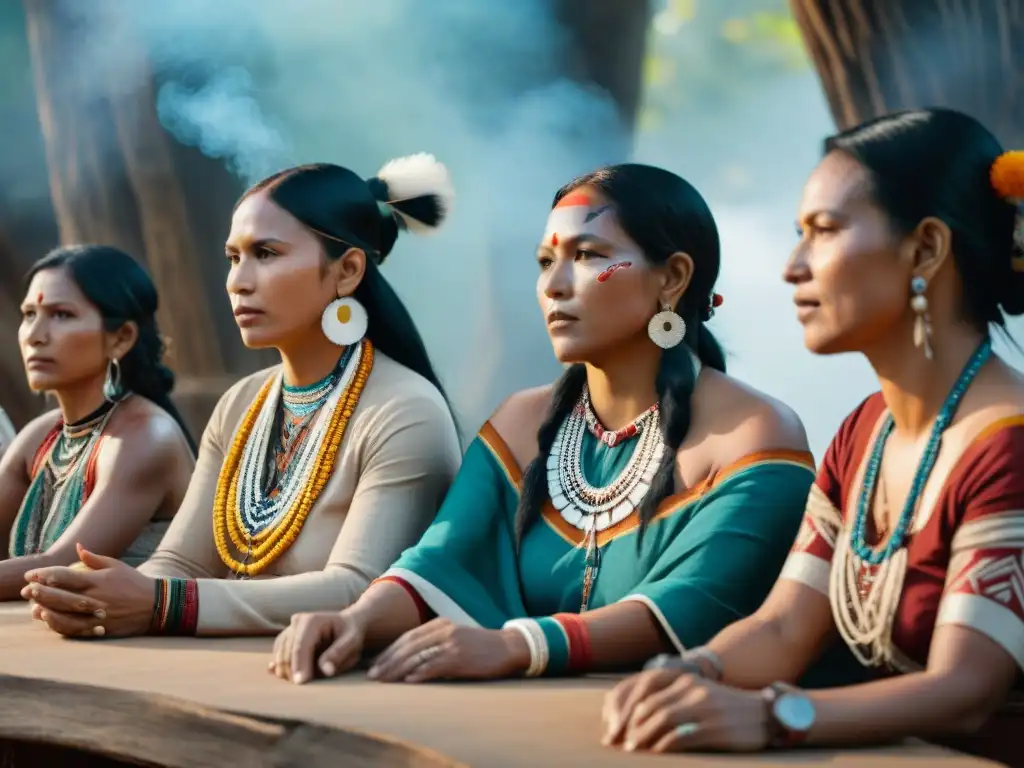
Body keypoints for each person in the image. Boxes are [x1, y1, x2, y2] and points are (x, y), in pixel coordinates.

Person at [271, 163, 816, 686]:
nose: (554, 285)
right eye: (543, 261)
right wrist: (356, 620)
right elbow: (440, 562)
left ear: (672, 277)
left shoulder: (755, 435)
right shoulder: (519, 424)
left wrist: (517, 646)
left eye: (587, 255)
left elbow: (694, 605)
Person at [601, 109, 1024, 763]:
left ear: (926, 249)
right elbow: (783, 625)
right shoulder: (867, 431)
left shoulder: (1008, 443)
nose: (793, 268)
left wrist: (774, 716)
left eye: (823, 231)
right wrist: (689, 676)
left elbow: (964, 689)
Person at [21, 154, 462, 638]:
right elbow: (181, 561)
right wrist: (104, 595)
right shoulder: (240, 405)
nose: (238, 281)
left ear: (348, 270)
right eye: (233, 257)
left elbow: (358, 589)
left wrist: (161, 602)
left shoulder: (404, 410)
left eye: (266, 254)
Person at [0, 245, 196, 601]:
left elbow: (63, 566)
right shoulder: (39, 437)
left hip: (144, 651)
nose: (34, 335)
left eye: (61, 315)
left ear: (121, 338)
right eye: (29, 314)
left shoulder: (146, 437)